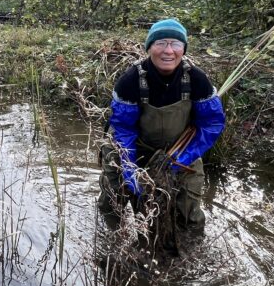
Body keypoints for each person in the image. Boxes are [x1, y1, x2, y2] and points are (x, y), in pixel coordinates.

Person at [97, 18, 226, 232]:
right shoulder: (130, 81)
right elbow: (123, 129)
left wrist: (181, 160)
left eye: (175, 44)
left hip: (182, 151)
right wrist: (129, 170)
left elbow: (211, 124)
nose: (168, 51)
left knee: (190, 216)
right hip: (131, 146)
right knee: (112, 202)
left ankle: (188, 256)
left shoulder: (197, 80)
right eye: (161, 43)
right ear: (149, 48)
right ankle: (112, 243)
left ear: (183, 49)